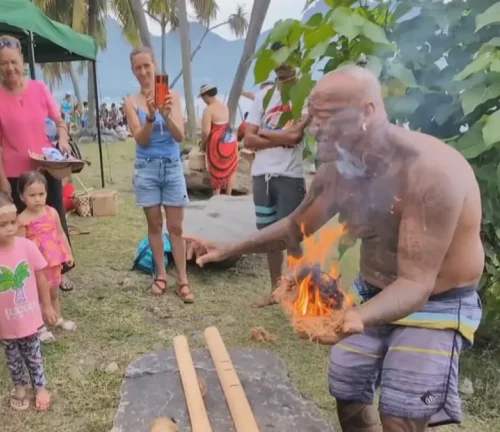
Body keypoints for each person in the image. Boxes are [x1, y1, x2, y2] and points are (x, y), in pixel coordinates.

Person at [187, 66, 484, 431]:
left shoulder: (430, 172)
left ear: (368, 112)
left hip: (436, 301)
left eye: (328, 118)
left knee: (400, 415)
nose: (315, 128)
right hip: (373, 291)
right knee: (347, 389)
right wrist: (229, 248)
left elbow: (415, 284)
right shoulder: (340, 168)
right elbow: (296, 227)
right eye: (314, 116)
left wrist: (353, 318)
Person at [0, 34, 75, 291]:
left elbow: (59, 122)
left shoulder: (40, 88)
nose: (9, 68)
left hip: (46, 169)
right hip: (15, 174)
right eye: (3, 63)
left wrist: (63, 141)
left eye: (14, 61)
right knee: (22, 226)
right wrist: (2, 180)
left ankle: (61, 270)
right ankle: (30, 273)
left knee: (53, 218)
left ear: (22, 59)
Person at [0, 192, 57, 411]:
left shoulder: (26, 246)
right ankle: (19, 387)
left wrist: (46, 305)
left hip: (30, 317)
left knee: (34, 354)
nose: (10, 228)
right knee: (13, 358)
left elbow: (40, 276)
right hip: (5, 322)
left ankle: (40, 387)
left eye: (13, 222)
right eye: (2, 224)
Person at [123, 47, 194, 303]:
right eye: (138, 68)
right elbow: (141, 140)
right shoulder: (130, 102)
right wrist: (151, 118)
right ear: (133, 70)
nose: (143, 72)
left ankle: (183, 280)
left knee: (176, 226)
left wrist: (166, 114)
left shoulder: (172, 96)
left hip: (172, 166)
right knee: (154, 225)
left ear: (155, 66)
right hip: (147, 168)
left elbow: (179, 137)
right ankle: (161, 276)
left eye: (147, 66)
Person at [243, 56, 310, 307]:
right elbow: (247, 140)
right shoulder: (263, 97)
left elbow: (295, 137)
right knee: (269, 236)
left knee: (291, 237)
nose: (283, 71)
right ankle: (275, 290)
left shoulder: (304, 96)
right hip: (262, 176)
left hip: (290, 176)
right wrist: (281, 136)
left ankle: (302, 293)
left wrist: (263, 131)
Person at [16, 171, 76, 343]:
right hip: (36, 267)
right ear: (22, 197)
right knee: (37, 297)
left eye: (41, 194)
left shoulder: (52, 212)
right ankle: (39, 327)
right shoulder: (22, 220)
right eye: (32, 195)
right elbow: (20, 246)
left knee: (54, 293)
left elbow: (61, 233)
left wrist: (68, 253)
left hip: (53, 262)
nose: (37, 199)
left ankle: (57, 318)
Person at [199, 84, 238, 196]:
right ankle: (228, 194)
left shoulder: (209, 110)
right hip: (230, 137)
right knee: (231, 167)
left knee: (216, 168)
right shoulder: (224, 106)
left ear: (206, 96)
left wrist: (203, 145)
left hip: (217, 140)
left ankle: (217, 194)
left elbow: (206, 132)